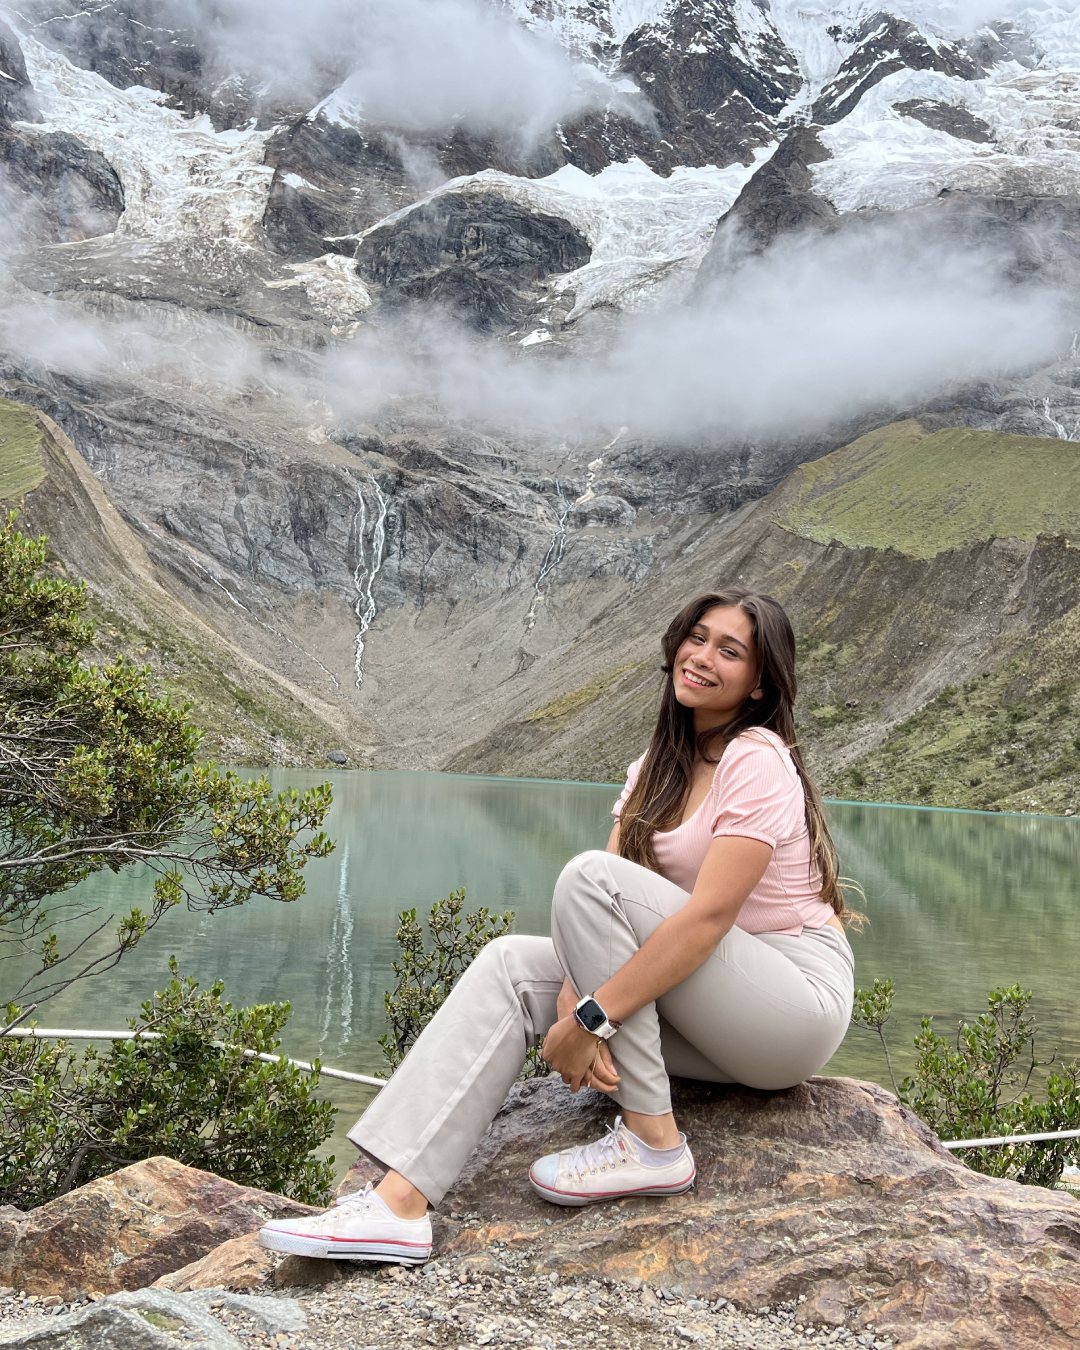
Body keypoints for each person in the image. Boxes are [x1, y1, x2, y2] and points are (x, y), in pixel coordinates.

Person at [259, 589, 857, 1264]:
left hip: (790, 1007)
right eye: (697, 637)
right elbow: (600, 913)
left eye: (731, 650)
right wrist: (574, 994)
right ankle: (399, 1205)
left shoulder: (759, 758)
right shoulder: (658, 764)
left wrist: (592, 1019)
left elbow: (706, 920)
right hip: (711, 1009)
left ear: (758, 684)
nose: (703, 657)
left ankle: (654, 1142)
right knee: (511, 966)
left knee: (586, 879)